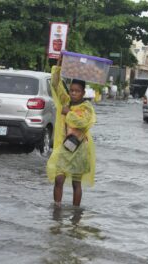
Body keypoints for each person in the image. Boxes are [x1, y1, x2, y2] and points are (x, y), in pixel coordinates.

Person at [47, 57, 96, 207]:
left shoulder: (86, 107)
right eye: (72, 90)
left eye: (77, 91)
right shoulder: (65, 101)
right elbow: (55, 84)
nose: (74, 93)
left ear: (83, 93)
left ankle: (76, 213)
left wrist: (68, 113)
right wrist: (59, 65)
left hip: (80, 149)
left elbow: (83, 122)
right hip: (65, 147)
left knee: (76, 183)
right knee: (59, 179)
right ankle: (57, 208)